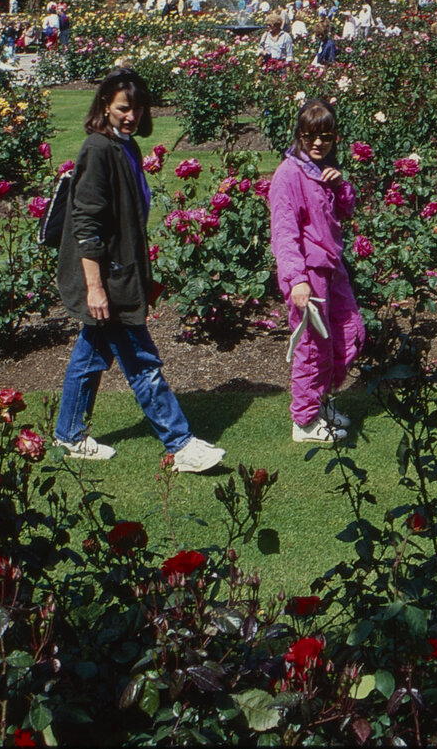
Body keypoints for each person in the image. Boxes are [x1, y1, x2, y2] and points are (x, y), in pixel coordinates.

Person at [54, 70, 226, 472]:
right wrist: (96, 288)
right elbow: (86, 224)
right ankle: (180, 444)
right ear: (104, 107)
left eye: (137, 108)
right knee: (142, 361)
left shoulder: (125, 146)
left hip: (122, 272)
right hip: (106, 278)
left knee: (90, 355)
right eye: (122, 108)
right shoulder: (98, 149)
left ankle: (68, 434)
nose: (131, 115)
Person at [268, 98, 366, 445]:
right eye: (310, 136)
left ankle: (320, 402)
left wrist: (340, 187)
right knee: (311, 346)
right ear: (299, 135)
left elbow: (345, 212)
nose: (318, 143)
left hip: (331, 268)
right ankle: (305, 421)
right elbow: (284, 232)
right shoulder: (289, 174)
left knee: (346, 333)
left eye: (325, 136)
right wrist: (297, 280)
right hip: (308, 274)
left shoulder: (322, 170)